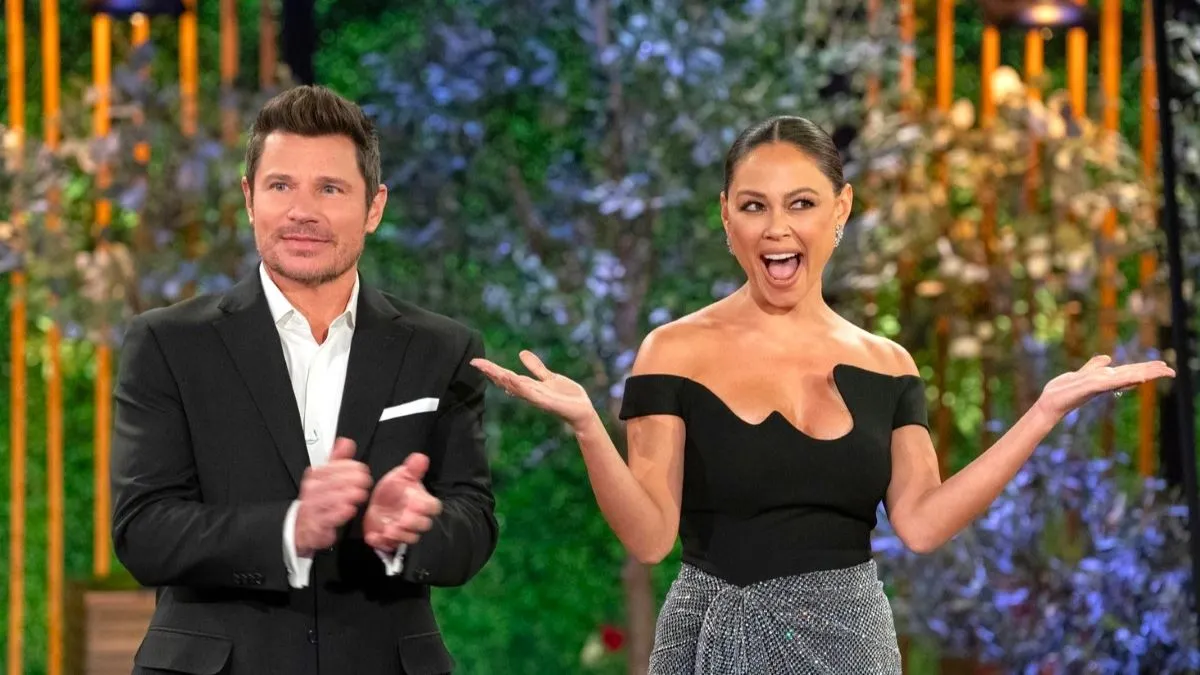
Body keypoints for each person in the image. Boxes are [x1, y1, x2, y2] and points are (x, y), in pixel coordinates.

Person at [470, 115, 1175, 674]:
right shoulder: (673, 351)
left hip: (851, 644)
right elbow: (651, 537)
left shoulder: (889, 365)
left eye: (801, 204)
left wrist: (1043, 412)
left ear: (840, 210)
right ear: (726, 216)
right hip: (711, 639)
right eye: (754, 206)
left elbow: (923, 524)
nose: (777, 228)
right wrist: (589, 428)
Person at [111, 85, 498, 675]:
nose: (302, 212)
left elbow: (473, 526)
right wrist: (291, 527)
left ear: (374, 207)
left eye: (330, 189)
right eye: (281, 186)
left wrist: (406, 530)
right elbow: (143, 531)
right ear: (249, 198)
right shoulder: (168, 343)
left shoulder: (442, 349)